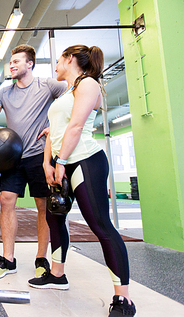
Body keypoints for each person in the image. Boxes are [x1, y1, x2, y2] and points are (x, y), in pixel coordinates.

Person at [27, 45, 136, 317]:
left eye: (58, 60)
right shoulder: (68, 91)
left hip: (85, 160)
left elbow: (75, 127)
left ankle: (123, 299)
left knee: (100, 224)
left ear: (70, 59)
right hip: (62, 161)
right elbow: (55, 131)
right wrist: (47, 163)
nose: (55, 65)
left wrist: (61, 162)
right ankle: (57, 274)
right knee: (55, 219)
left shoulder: (88, 84)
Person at [0, 44, 68, 280]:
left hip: (39, 155)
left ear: (30, 64)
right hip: (12, 158)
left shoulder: (47, 85)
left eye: (16, 61)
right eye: (10, 62)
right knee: (6, 200)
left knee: (43, 205)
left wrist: (55, 125)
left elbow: (73, 96)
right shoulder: (4, 92)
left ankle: (41, 258)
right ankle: (8, 259)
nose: (12, 65)